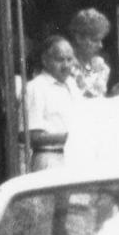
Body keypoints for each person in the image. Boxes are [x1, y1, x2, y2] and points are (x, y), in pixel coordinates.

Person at [23, 35, 78, 170]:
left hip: (73, 157)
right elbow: (29, 135)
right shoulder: (36, 87)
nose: (66, 65)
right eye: (60, 60)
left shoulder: (72, 85)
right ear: (45, 60)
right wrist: (67, 137)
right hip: (50, 159)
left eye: (69, 59)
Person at [68, 7, 113, 99]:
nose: (100, 45)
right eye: (95, 40)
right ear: (79, 38)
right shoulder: (66, 66)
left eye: (101, 40)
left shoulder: (101, 66)